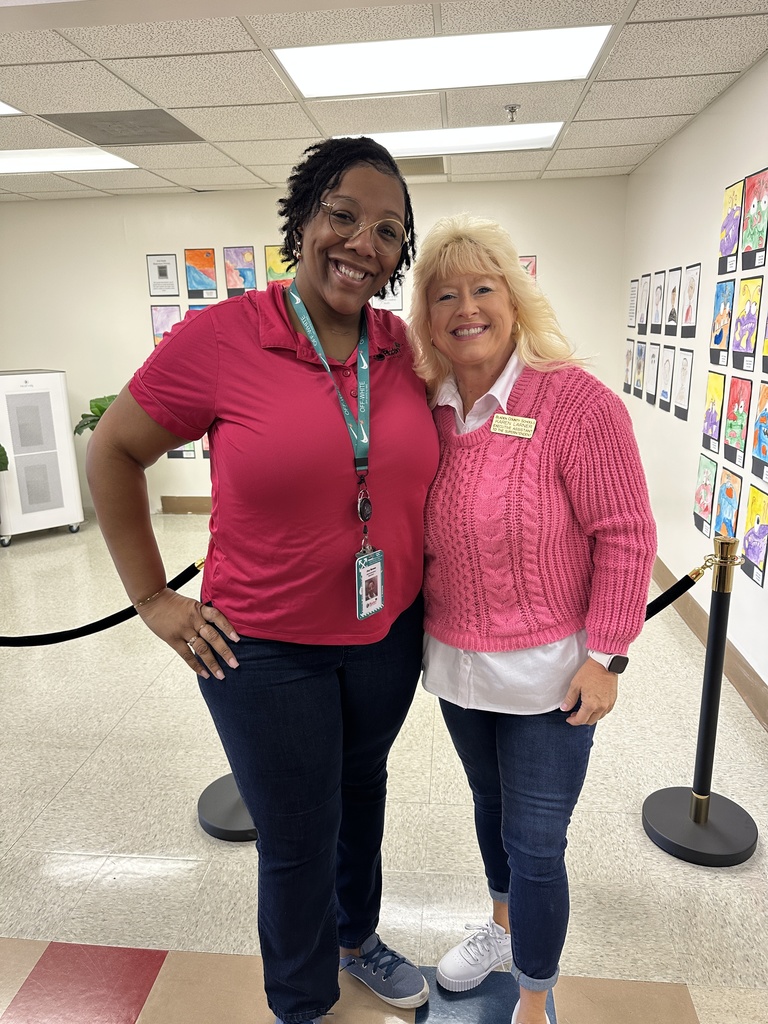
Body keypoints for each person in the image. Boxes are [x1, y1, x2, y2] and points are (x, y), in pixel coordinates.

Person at [86, 137, 439, 1024]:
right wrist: (155, 600)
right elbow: (115, 451)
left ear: (401, 254)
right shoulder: (223, 337)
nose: (363, 241)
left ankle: (357, 940)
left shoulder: (402, 349)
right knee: (296, 833)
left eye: (389, 230)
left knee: (364, 793)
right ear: (303, 219)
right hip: (264, 649)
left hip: (386, 633)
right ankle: (301, 1000)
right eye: (343, 215)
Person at [407, 215, 656, 1024]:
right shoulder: (428, 408)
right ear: (427, 315)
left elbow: (625, 534)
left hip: (553, 673)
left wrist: (607, 655)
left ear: (514, 300)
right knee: (491, 810)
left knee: (538, 842)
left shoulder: (574, 401)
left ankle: (535, 992)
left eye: (484, 288)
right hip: (456, 665)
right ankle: (501, 928)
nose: (466, 307)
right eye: (445, 293)